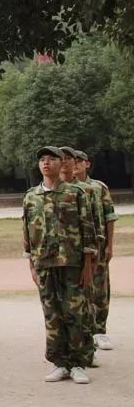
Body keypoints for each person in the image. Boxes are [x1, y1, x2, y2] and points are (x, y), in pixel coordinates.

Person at [23, 146, 96, 384]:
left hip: (72, 262)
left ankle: (78, 362)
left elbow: (88, 230)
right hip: (44, 263)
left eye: (51, 159)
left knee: (75, 312)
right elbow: (27, 233)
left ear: (61, 163)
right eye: (42, 160)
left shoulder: (75, 193)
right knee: (51, 313)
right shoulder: (31, 196)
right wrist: (32, 265)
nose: (46, 163)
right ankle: (59, 362)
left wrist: (88, 264)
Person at [74, 149, 117, 350]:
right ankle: (83, 331)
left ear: (87, 164)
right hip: (75, 248)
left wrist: (109, 244)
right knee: (77, 290)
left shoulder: (98, 188)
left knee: (100, 288)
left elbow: (109, 217)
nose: (75, 164)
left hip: (98, 246)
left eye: (79, 161)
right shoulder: (66, 188)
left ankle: (100, 330)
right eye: (72, 160)